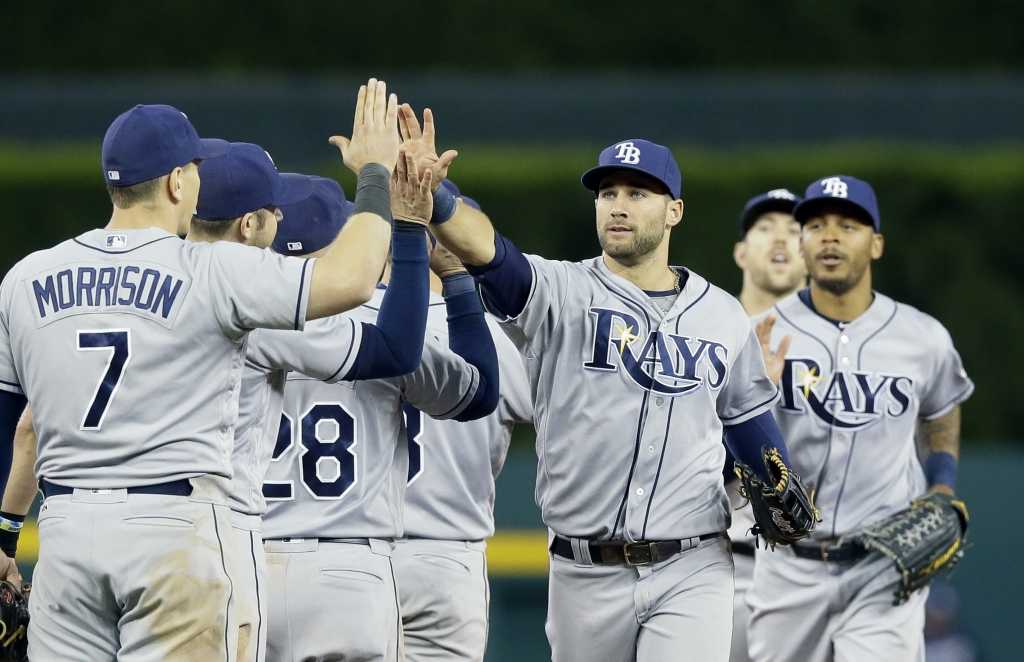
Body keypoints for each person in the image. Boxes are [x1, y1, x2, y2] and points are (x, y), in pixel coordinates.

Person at [0, 79, 405, 661]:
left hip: (66, 530)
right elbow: (352, 279)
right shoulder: (211, 269)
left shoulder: (28, 276)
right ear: (177, 181)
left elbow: (17, 425)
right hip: (174, 530)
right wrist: (375, 175)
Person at [401, 104, 801, 662]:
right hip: (582, 571)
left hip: (693, 562)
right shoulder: (559, 293)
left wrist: (778, 476)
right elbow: (489, 252)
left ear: (674, 211)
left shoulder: (723, 314)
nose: (619, 206)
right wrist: (439, 197)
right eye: (608, 192)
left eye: (639, 194)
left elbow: (746, 420)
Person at [186, 143, 435, 662]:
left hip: (177, 539)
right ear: (251, 225)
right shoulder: (259, 300)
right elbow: (406, 353)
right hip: (331, 562)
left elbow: (30, 424)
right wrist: (412, 234)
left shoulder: (138, 285)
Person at [745, 175, 974, 662]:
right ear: (803, 244)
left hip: (882, 566)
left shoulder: (922, 336)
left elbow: (942, 408)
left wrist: (942, 484)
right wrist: (753, 395)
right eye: (816, 225)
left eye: (848, 225)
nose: (829, 236)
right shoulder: (759, 336)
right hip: (787, 566)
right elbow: (717, 442)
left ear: (876, 245)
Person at [260, 231, 501, 660]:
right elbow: (479, 392)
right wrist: (460, 279)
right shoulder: (395, 329)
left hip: (257, 551)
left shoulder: (232, 316)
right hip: (380, 556)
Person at [391, 182, 533, 662]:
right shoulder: (503, 340)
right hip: (447, 557)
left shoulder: (346, 320)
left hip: (345, 548)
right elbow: (575, 424)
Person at [727, 188, 805, 662]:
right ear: (741, 251)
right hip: (726, 565)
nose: (780, 237)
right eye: (765, 227)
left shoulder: (846, 351)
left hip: (816, 572)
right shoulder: (703, 334)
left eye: (795, 229)